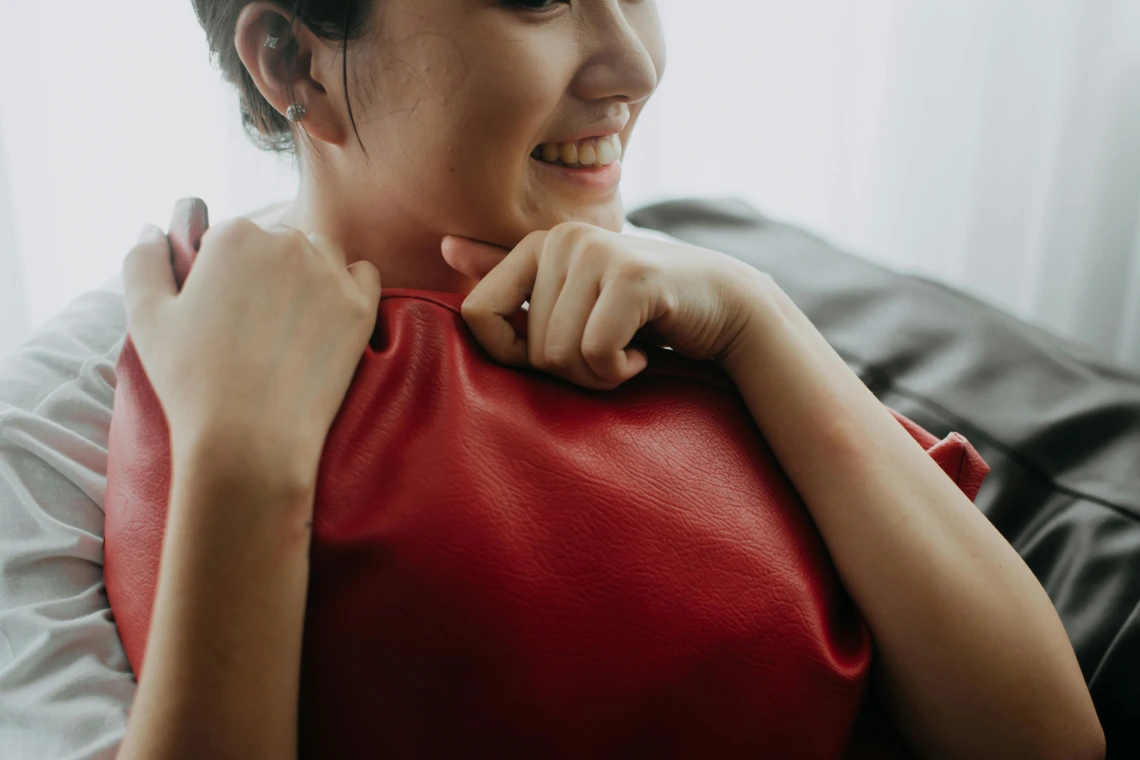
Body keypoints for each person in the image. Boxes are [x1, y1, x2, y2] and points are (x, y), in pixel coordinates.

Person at [0, 1, 1105, 758]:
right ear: (292, 60)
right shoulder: (82, 416)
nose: (635, 64)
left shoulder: (690, 316)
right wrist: (243, 466)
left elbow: (1052, 737)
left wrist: (763, 320)